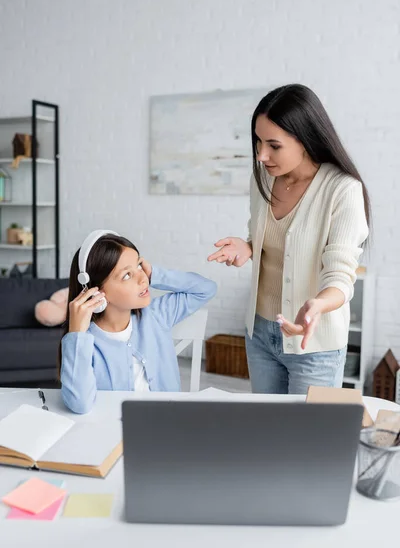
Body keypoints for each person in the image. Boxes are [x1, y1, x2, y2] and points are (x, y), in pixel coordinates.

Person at [208, 84, 370, 394]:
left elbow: (340, 274)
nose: (261, 155)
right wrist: (248, 247)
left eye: (273, 145)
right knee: (267, 433)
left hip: (314, 345)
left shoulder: (342, 189)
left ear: (306, 139)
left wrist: (318, 305)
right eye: (257, 141)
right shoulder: (264, 180)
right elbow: (274, 243)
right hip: (259, 333)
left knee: (309, 439)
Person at [60, 230, 217, 413]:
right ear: (95, 291)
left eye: (139, 266)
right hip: (114, 432)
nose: (143, 279)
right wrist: (76, 334)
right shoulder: (86, 341)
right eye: (127, 275)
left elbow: (206, 289)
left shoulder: (157, 314)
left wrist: (155, 275)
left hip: (168, 423)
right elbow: (79, 405)